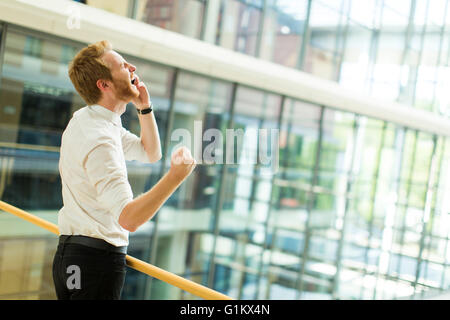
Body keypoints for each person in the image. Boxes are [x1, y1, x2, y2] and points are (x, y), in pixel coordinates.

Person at [52, 40, 196, 300]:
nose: (132, 67)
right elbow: (128, 219)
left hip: (73, 257)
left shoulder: (91, 121)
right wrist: (176, 177)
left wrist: (144, 107)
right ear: (104, 85)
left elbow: (150, 152)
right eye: (122, 65)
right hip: (95, 263)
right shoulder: (101, 140)